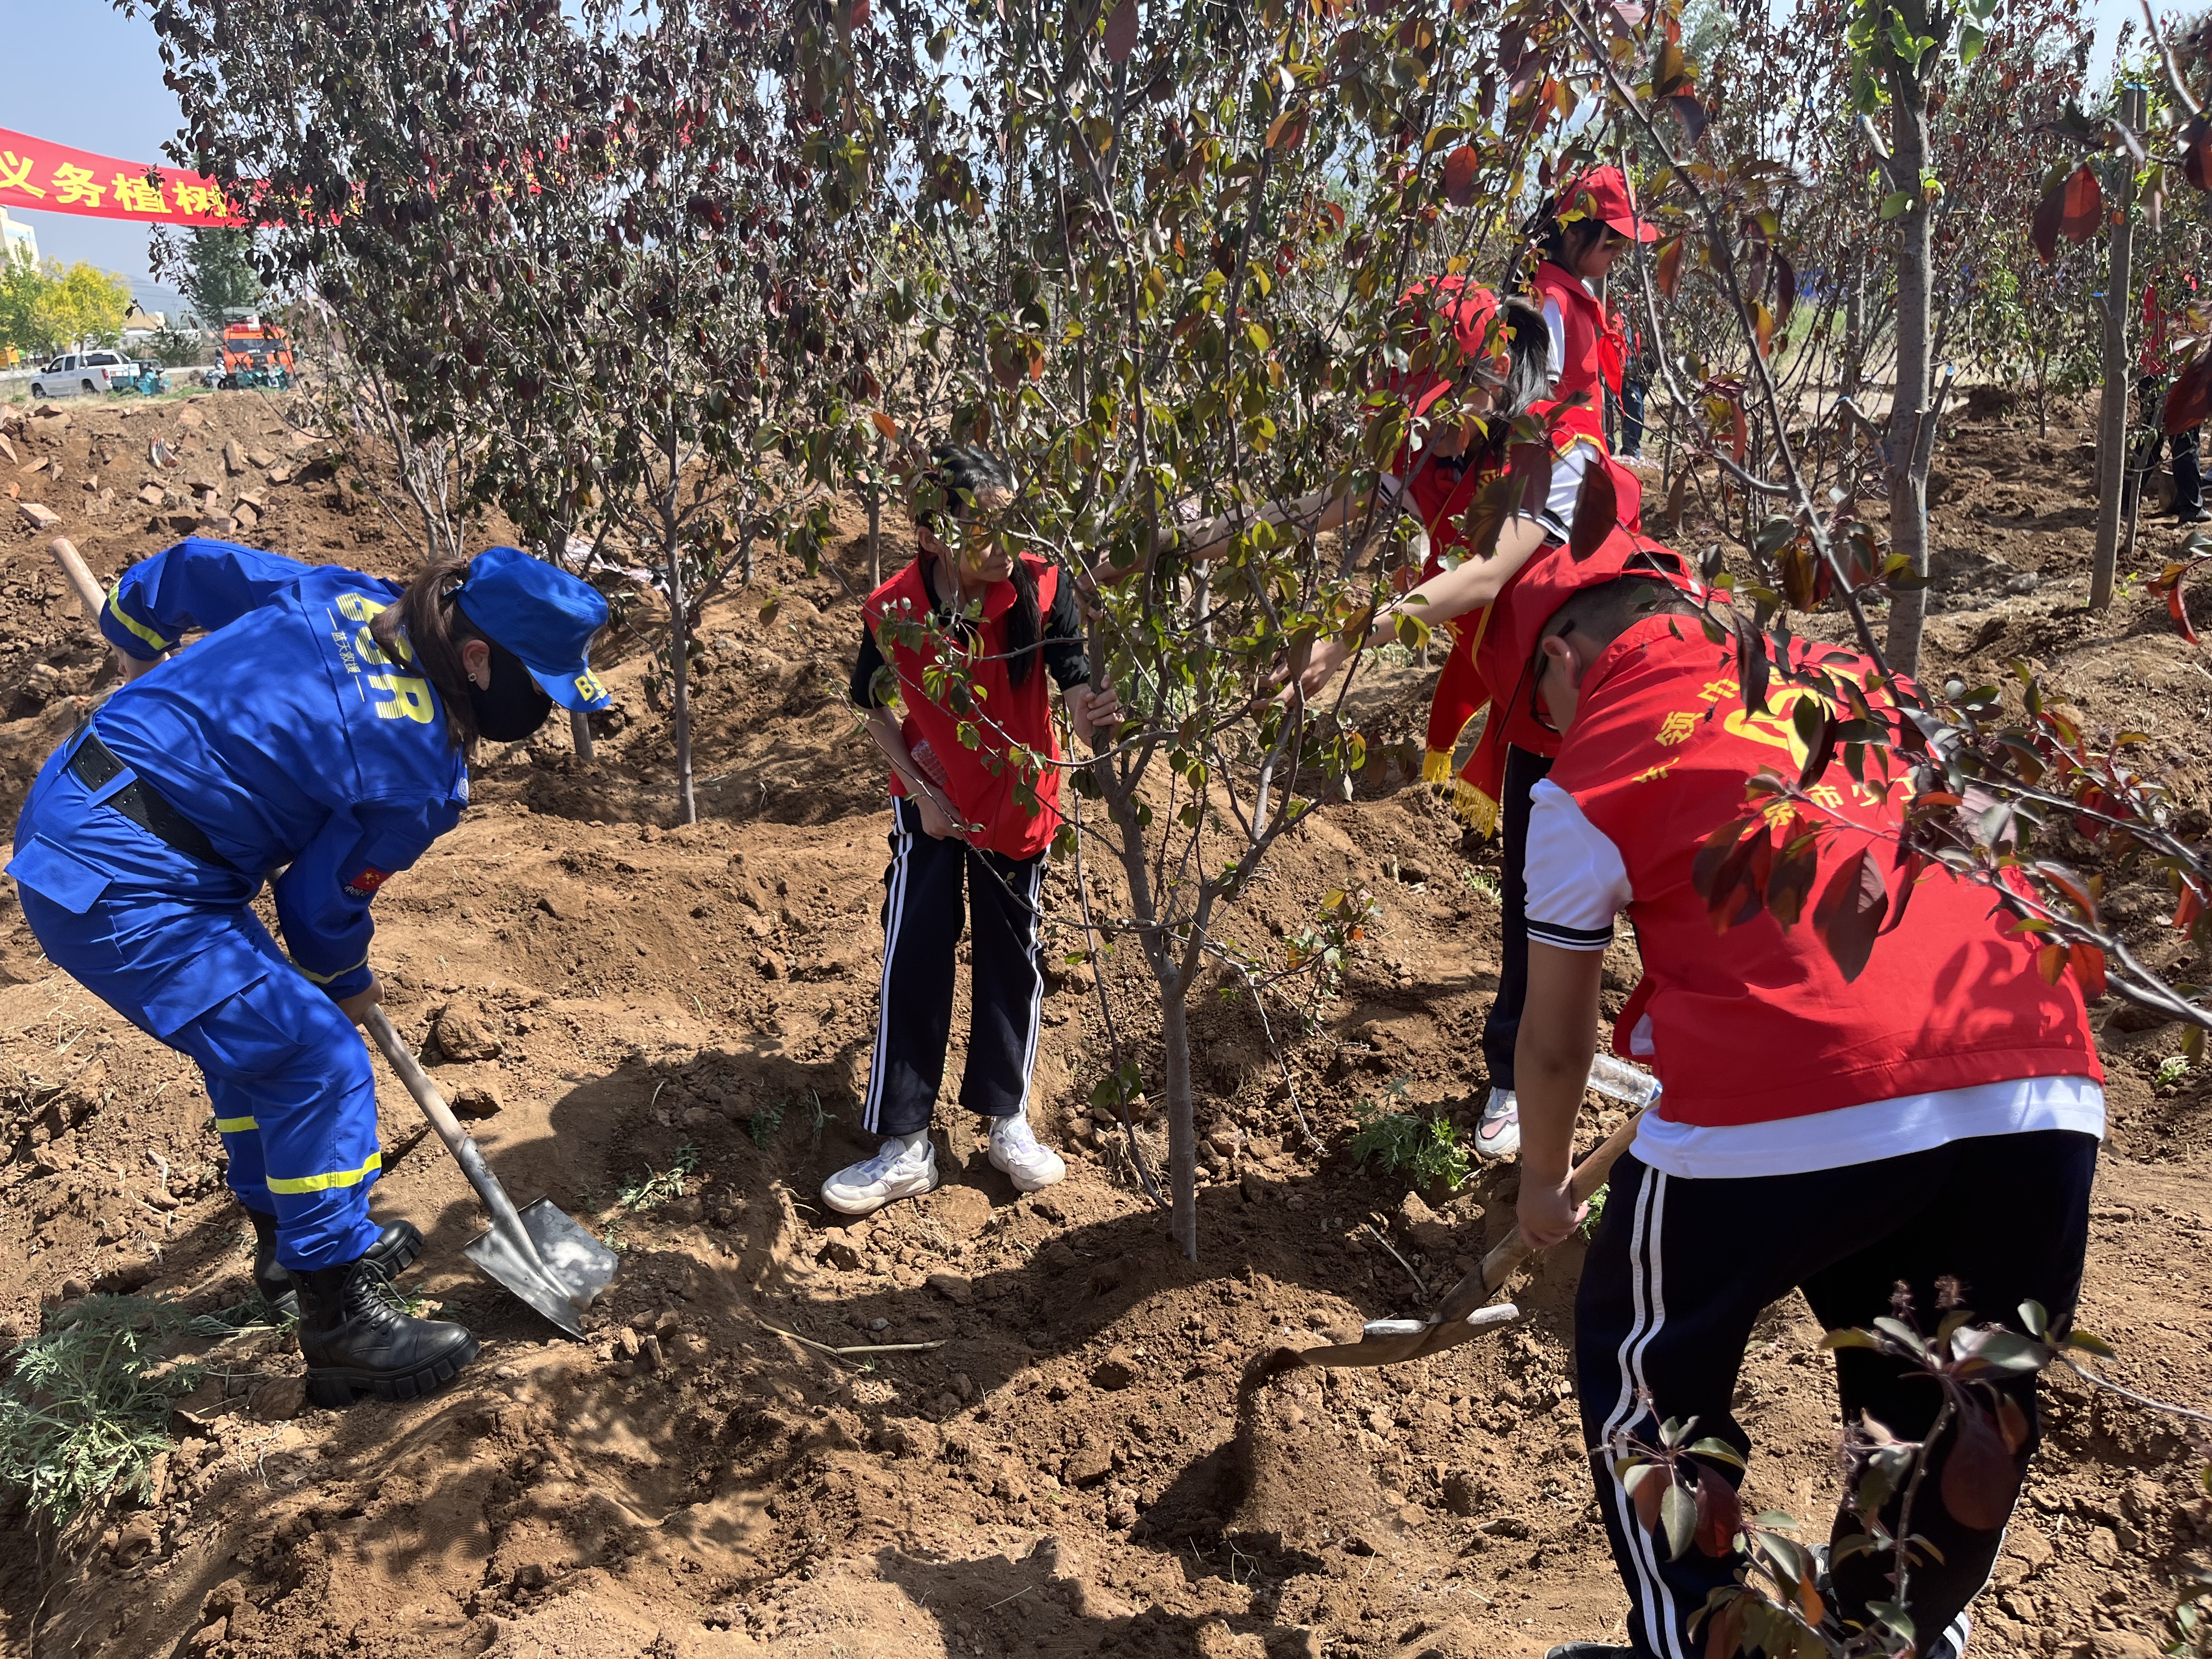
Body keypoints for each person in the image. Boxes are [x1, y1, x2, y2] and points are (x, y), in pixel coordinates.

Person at [1501, 574, 2104, 1659]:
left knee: (1645, 1363)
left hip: (1794, 1085)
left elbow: (1553, 1040)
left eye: (1543, 712)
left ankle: (1696, 1639)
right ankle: (1894, 1637)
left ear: (1566, 658)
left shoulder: (1588, 776)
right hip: (2042, 1084)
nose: (1551, 737)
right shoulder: (1863, 683)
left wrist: (1544, 1182)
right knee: (1947, 1386)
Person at [8, 538, 613, 1406]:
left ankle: (291, 1249)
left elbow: (186, 568)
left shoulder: (340, 593)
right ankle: (342, 1323)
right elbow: (316, 913)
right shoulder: (418, 770)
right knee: (317, 1059)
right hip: (119, 887)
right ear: (477, 659)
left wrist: (136, 647)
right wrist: (346, 978)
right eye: (543, 687)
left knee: (256, 1044)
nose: (547, 710)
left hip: (81, 809)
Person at [823, 446, 1121, 1217]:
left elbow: (1074, 677)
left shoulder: (1040, 584)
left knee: (1011, 954)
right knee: (915, 953)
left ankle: (1007, 1120)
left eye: (1012, 518)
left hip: (1019, 800)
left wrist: (1090, 712)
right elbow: (873, 708)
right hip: (933, 803)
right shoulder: (894, 608)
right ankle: (904, 1141)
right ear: (934, 535)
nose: (1010, 540)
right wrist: (922, 792)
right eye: (988, 524)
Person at [1528, 164, 1657, 520]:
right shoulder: (1549, 301)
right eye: (1613, 239)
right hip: (1559, 490)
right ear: (1572, 234)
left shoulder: (1571, 296)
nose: (1620, 251)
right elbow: (1537, 411)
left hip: (1578, 478)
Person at [2134, 278, 2205, 525]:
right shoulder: (2181, 281)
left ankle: (2125, 501)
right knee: (2185, 439)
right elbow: (2192, 322)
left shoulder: (2154, 275)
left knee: (2149, 441)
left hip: (2150, 369)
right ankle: (2191, 506)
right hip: (2174, 373)